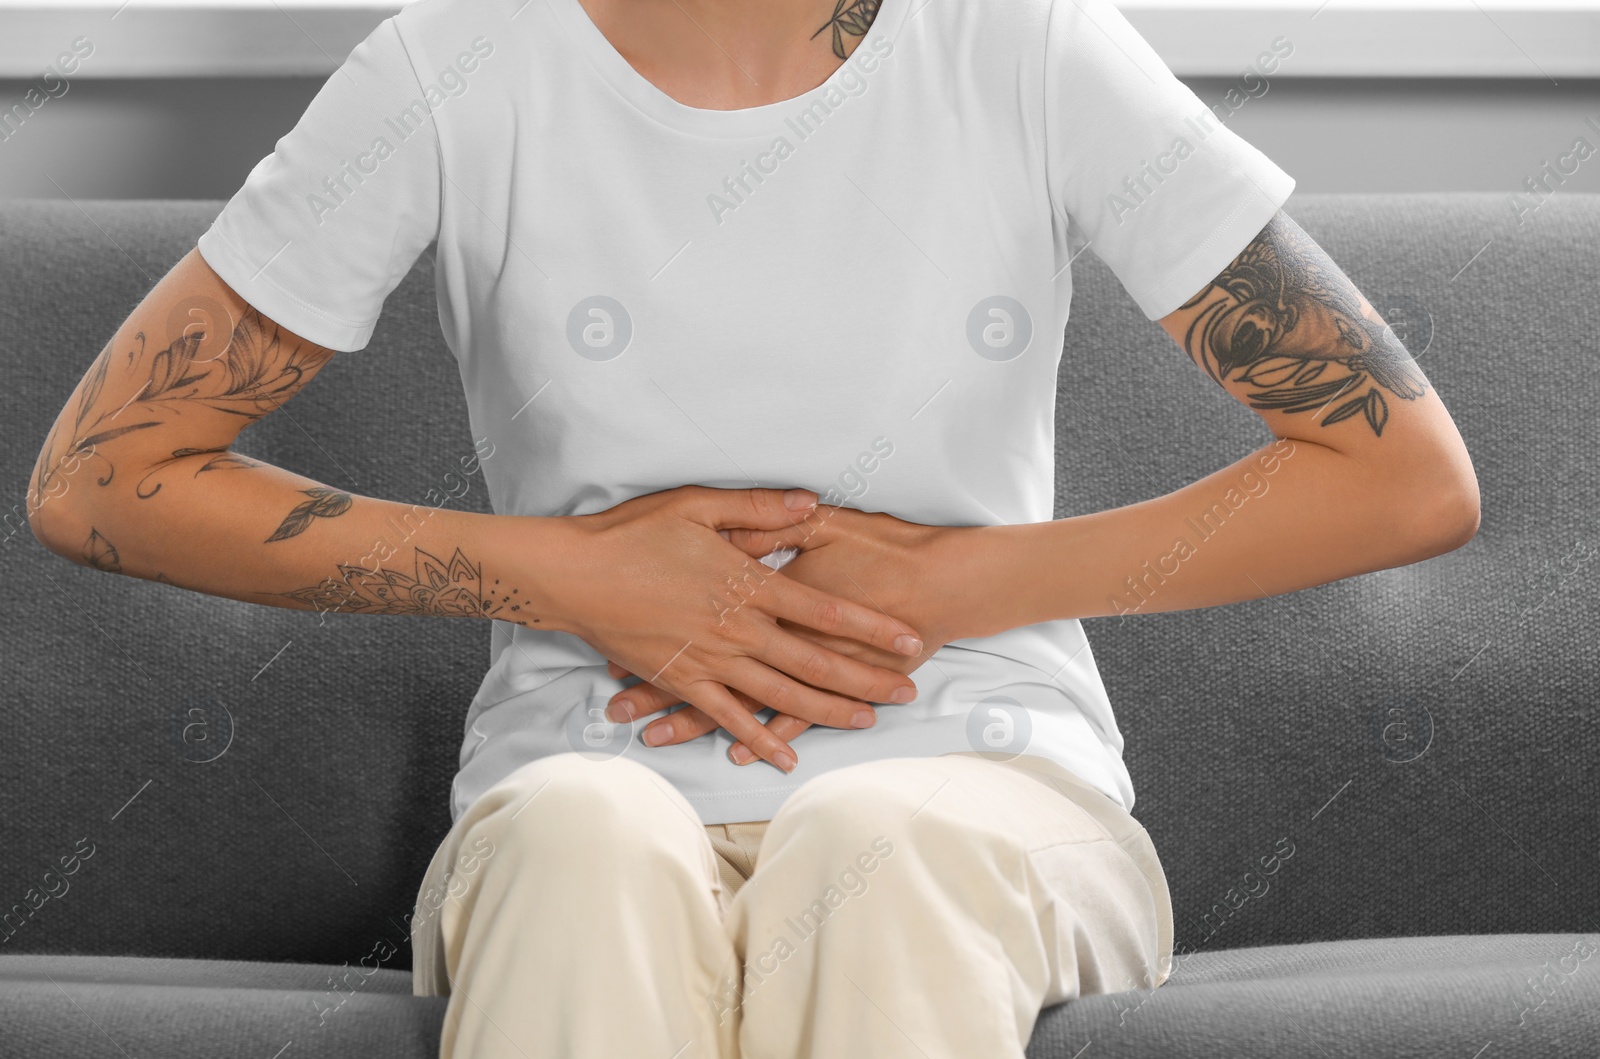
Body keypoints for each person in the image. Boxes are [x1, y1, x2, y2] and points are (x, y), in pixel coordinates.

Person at [26, 0, 1479, 1054]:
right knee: (582, 842)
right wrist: (571, 575)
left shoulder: (1024, 45)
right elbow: (103, 479)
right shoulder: (449, 65)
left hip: (986, 798)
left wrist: (953, 583)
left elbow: (1401, 474)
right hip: (581, 788)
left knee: (882, 840)